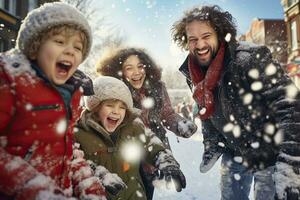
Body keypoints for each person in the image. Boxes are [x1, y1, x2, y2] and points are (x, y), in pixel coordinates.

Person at [172, 5, 300, 200]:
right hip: (234, 150)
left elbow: (290, 104)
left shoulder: (249, 59)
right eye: (193, 39)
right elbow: (207, 111)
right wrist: (212, 142)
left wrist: (291, 162)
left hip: (270, 152)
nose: (200, 44)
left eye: (206, 36)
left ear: (220, 35)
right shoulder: (193, 70)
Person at [0, 2, 107, 200]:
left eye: (78, 47)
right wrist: (35, 189)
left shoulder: (71, 93)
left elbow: (67, 149)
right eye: (59, 41)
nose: (70, 51)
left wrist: (89, 187)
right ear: (35, 46)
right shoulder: (10, 79)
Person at [96, 47, 197, 199]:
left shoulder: (157, 87)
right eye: (129, 68)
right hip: (125, 157)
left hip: (152, 154)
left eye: (140, 66)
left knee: (146, 193)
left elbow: (167, 113)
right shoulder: (116, 90)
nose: (136, 72)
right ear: (119, 71)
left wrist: (180, 124)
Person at [75, 76, 187, 200]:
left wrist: (165, 161)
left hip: (134, 195)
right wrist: (98, 175)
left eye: (122, 107)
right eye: (110, 105)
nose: (116, 112)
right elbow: (75, 163)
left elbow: (151, 143)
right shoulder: (79, 133)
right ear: (95, 107)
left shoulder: (133, 126)